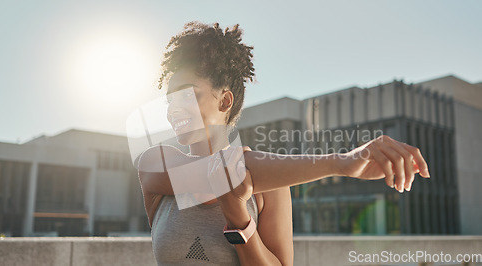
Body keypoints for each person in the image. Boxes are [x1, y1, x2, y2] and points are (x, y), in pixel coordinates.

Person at [137, 21, 430, 266]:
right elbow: (224, 170)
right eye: (170, 99)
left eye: (187, 94)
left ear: (225, 101)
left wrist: (240, 221)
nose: (174, 108)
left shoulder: (274, 185)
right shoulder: (155, 163)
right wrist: (341, 162)